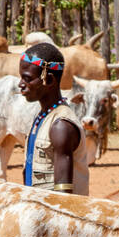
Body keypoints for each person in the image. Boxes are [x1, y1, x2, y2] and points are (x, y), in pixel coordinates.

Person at [18, 41, 87, 195]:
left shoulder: (61, 126)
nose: (20, 84)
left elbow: (63, 197)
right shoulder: (44, 116)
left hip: (55, 214)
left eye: (27, 79)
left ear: (48, 80)